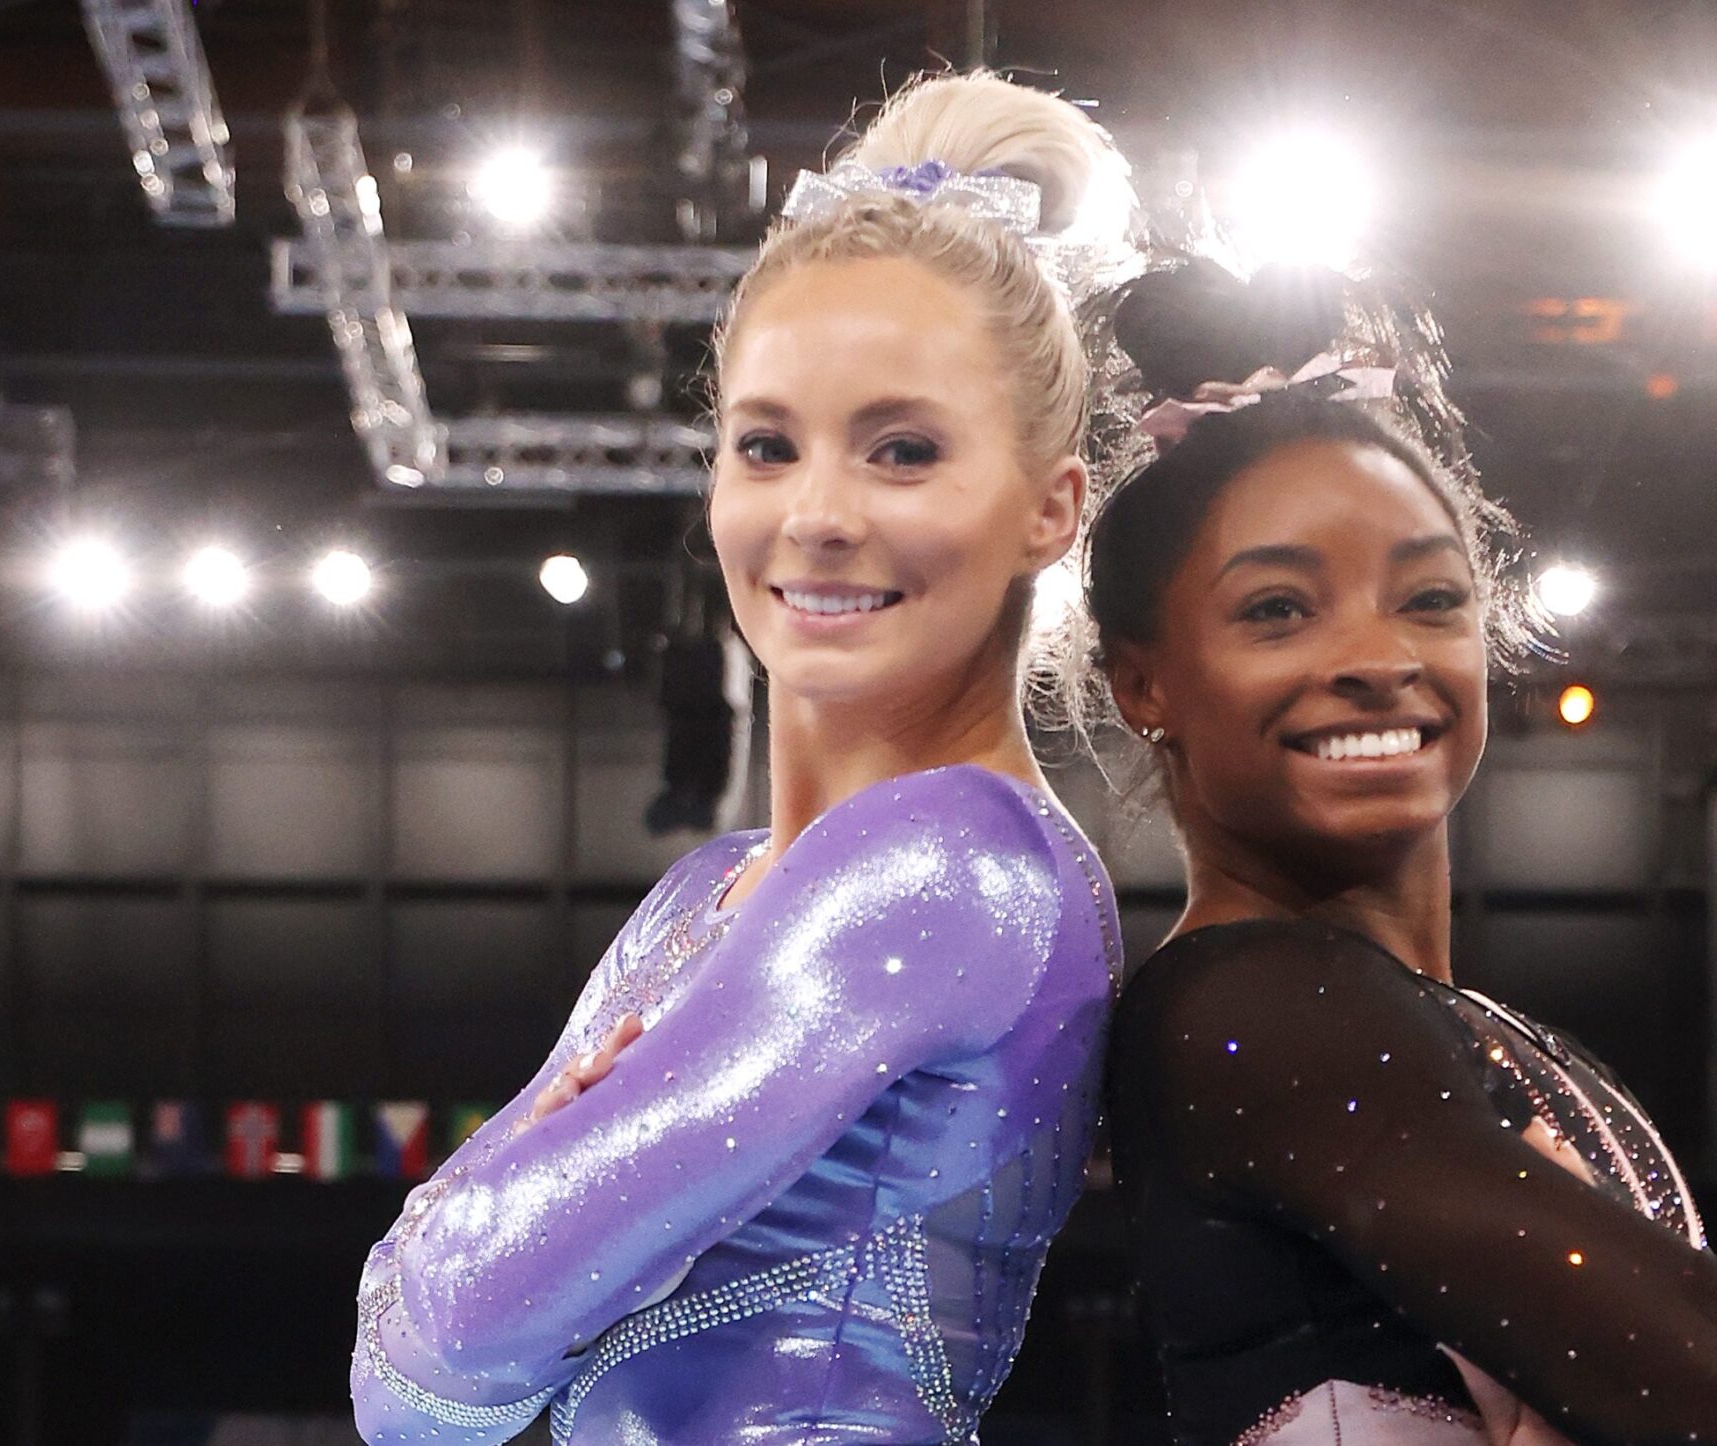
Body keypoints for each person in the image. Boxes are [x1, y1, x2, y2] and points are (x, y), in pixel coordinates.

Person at [349, 72, 1134, 1445]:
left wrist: (487, 1196)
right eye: (767, 445)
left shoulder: (948, 865)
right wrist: (491, 1242)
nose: (817, 514)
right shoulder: (706, 891)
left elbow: (448, 1344)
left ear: (1051, 505)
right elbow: (407, 1407)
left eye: (902, 450)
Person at [1084, 261, 1717, 1446]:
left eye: (1429, 599)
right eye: (1277, 610)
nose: (1375, 655)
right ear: (1143, 681)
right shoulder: (1254, 1007)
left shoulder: (1409, 1016)